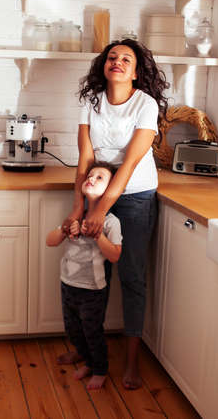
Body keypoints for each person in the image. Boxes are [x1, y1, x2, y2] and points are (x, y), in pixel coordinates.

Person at [60, 38, 169, 390]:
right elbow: (85, 157)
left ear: (136, 72)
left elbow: (130, 163)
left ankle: (132, 362)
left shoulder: (145, 104)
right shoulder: (91, 102)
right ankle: (88, 351)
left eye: (126, 59)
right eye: (112, 57)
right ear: (103, 66)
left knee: (132, 277)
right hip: (96, 191)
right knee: (92, 277)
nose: (117, 62)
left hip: (134, 195)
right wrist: (80, 206)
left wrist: (101, 208)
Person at [46, 162, 122, 390]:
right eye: (90, 175)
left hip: (93, 289)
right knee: (72, 328)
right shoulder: (76, 216)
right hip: (68, 283)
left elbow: (115, 255)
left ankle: (99, 368)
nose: (91, 178)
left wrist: (98, 236)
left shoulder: (110, 222)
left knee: (92, 331)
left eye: (100, 178)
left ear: (111, 190)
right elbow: (50, 241)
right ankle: (85, 359)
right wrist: (65, 229)